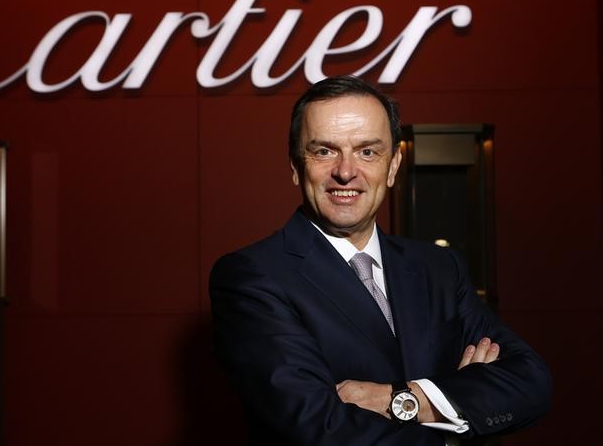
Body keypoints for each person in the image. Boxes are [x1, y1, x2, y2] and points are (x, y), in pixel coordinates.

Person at [209, 76, 551, 445]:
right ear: (295, 165)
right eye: (324, 151)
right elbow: (318, 427)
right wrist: (458, 406)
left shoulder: (439, 269)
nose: (345, 171)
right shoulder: (252, 277)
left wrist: (403, 399)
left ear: (393, 166)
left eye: (367, 152)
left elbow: (530, 380)